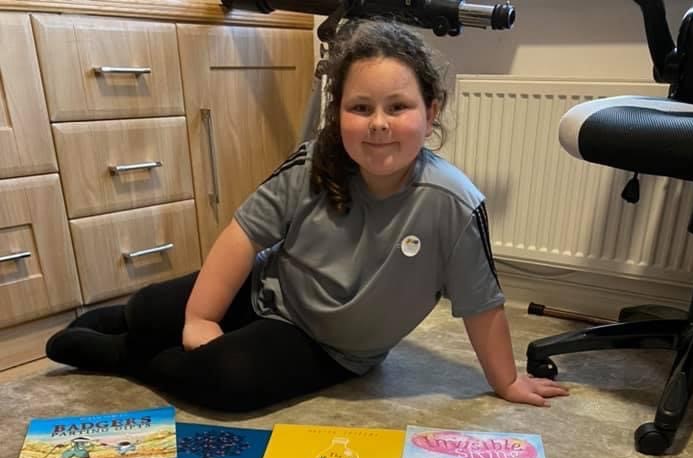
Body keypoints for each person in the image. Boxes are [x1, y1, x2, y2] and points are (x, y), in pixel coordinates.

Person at [45, 20, 569, 413]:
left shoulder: (453, 205)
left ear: (431, 112)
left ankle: (124, 355)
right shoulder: (315, 161)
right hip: (266, 289)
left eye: (398, 107)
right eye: (361, 108)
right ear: (337, 111)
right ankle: (131, 321)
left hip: (329, 346)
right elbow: (242, 237)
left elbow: (482, 306)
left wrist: (506, 381)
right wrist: (201, 318)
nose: (379, 124)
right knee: (155, 308)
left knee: (223, 383)